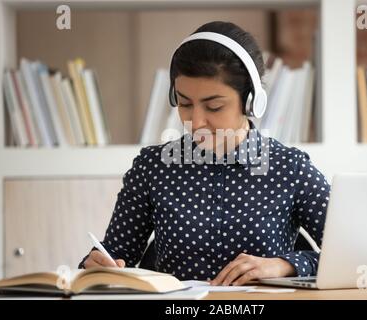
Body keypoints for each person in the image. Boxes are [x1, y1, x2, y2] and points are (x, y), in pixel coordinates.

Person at [79, 21, 331, 286]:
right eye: (185, 103)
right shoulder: (152, 167)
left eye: (214, 106)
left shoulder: (290, 168)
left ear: (251, 102)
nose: (196, 121)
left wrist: (285, 265)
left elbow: (357, 258)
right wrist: (99, 263)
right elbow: (117, 256)